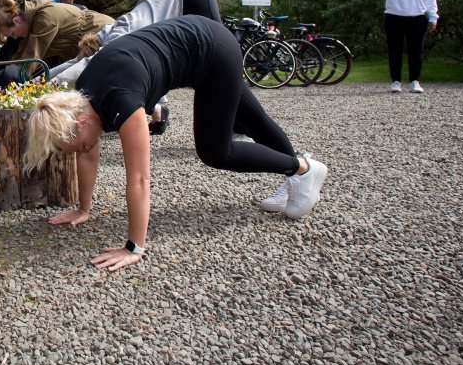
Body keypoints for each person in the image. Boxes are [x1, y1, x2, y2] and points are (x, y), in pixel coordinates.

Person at [22, 15, 329, 272]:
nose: (72, 152)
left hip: (212, 51)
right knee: (255, 120)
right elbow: (88, 154)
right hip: (202, 43)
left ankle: (302, 168)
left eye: (68, 146)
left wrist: (133, 247)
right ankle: (296, 177)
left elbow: (140, 180)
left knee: (215, 150)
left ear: (81, 123)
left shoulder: (122, 102)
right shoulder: (83, 97)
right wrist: (83, 209)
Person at [48, 0, 221, 134]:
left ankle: (237, 129)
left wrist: (46, 86)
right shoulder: (102, 36)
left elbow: (87, 64)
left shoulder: (116, 39)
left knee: (218, 66)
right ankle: (159, 112)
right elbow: (76, 62)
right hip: (175, 1)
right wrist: (41, 79)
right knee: (131, 79)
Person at [0, 0, 114, 86]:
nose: (14, 38)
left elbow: (30, 61)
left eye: (13, 34)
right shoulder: (29, 22)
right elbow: (18, 59)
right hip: (84, 46)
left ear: (15, 20)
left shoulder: (45, 19)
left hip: (103, 34)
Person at [371, 0, 439, 93]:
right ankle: (396, 81)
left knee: (416, 51)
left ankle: (415, 81)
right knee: (395, 51)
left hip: (417, 18)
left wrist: (433, 17)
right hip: (394, 18)